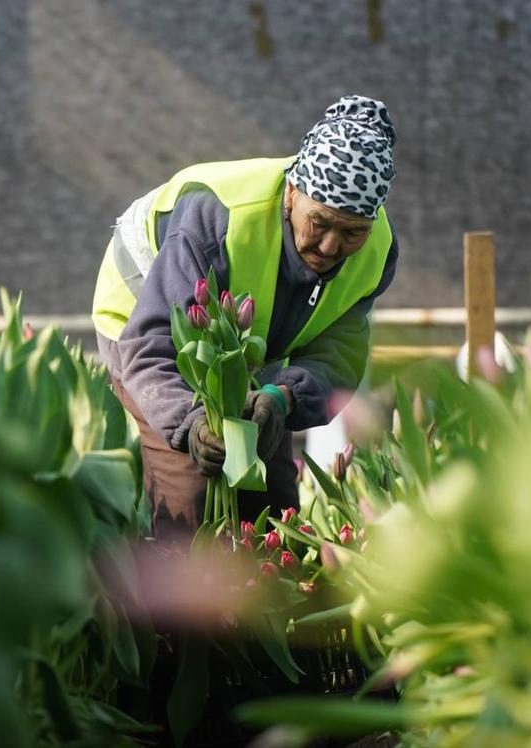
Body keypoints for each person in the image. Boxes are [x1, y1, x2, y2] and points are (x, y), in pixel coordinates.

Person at [91, 95, 399, 540]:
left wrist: (282, 398)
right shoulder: (220, 219)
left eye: (352, 232)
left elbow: (338, 354)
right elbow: (151, 346)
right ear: (292, 193)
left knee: (271, 503)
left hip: (241, 336)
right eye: (320, 224)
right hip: (145, 315)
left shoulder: (377, 252)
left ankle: (265, 603)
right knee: (192, 490)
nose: (331, 247)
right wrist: (191, 423)